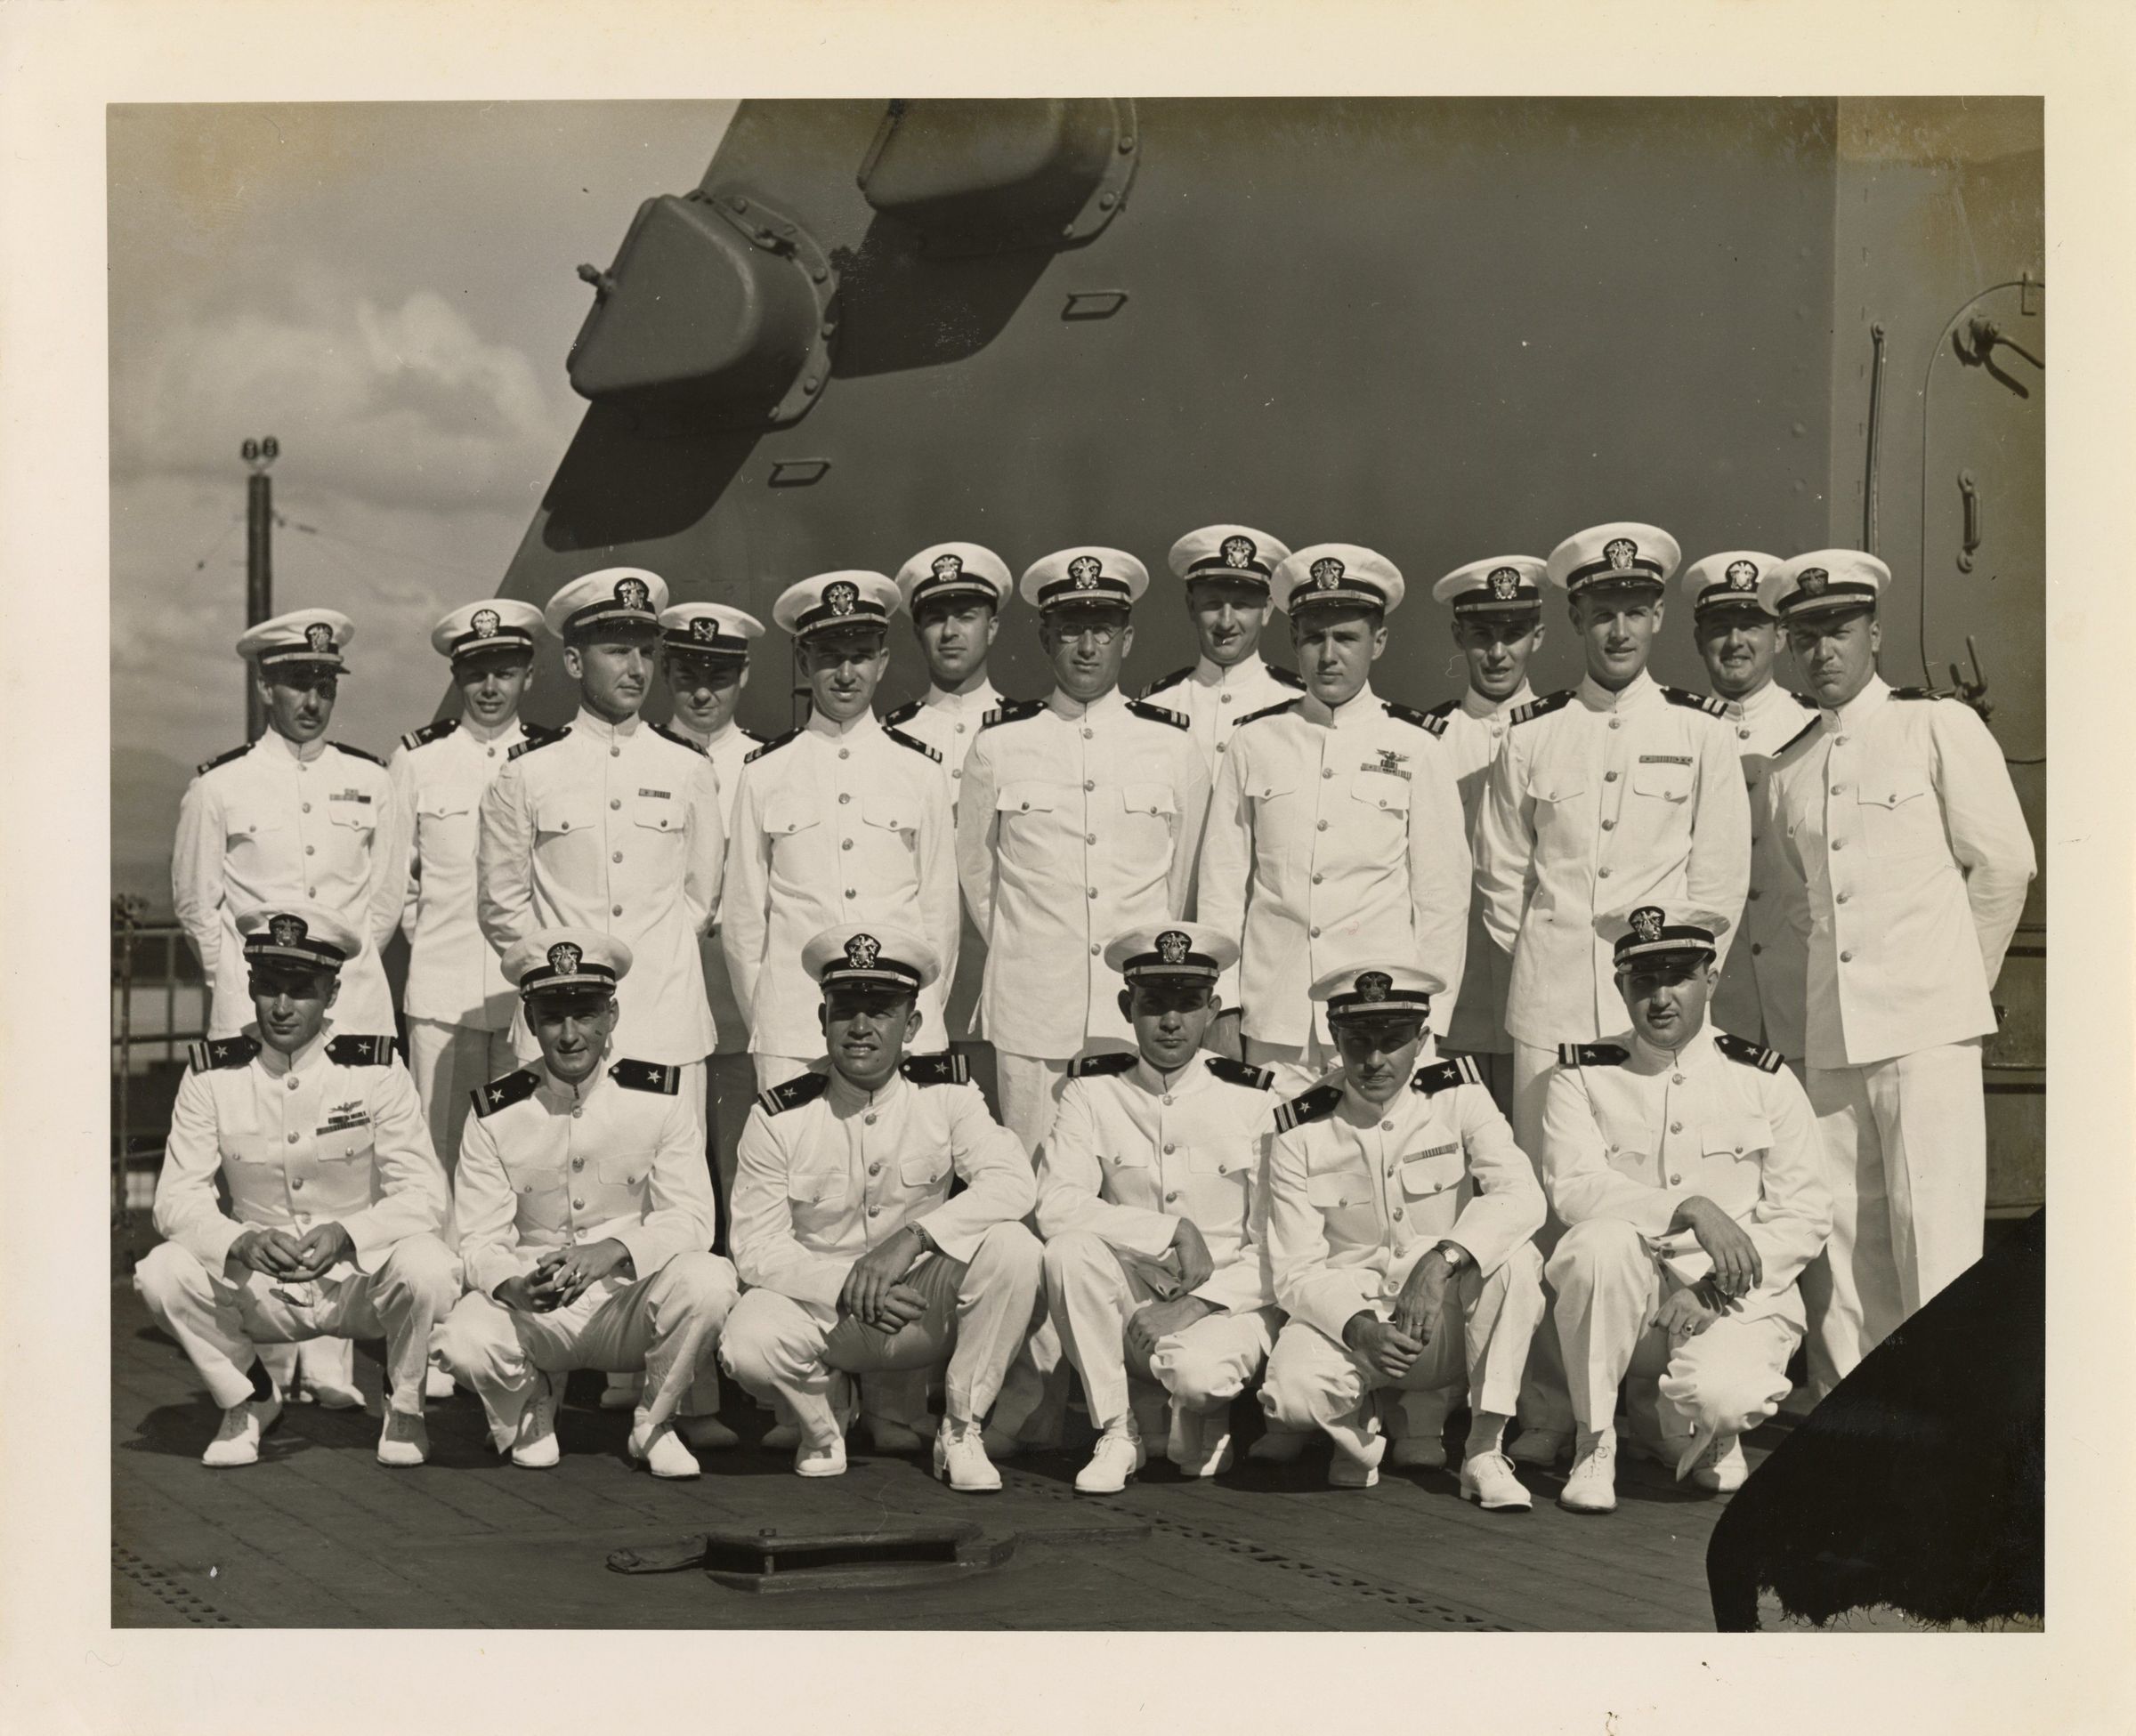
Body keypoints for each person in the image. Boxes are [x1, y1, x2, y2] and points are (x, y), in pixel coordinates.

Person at [1472, 521, 1751, 1469]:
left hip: (1656, 1011)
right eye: (1601, 613)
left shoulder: (1702, 737)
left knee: (1666, 1188)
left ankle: (1666, 1403)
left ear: (1659, 615)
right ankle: (1551, 1405)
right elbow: (1504, 883)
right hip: (1553, 1004)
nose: (1619, 630)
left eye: (1636, 611)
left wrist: (1653, 983)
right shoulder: (1533, 737)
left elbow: (1715, 889)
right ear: (1576, 618)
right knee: (1559, 1213)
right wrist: (1559, 968)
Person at [1756, 550, 2035, 1397]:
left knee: (1936, 1239)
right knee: (1846, 1243)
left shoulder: (1935, 727)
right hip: (1835, 1033)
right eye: (1803, 638)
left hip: (1927, 1028)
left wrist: (1951, 986)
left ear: (1874, 631)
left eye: (1837, 631)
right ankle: (1861, 1431)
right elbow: (1807, 903)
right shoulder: (1788, 767)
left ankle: (1953, 1436)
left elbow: (2003, 866)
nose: (1821, 652)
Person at [172, 608, 403, 1409]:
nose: (312, 698)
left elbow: (383, 901)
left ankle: (333, 1357)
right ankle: (267, 1358)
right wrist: (238, 989)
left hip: (351, 1001)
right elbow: (199, 904)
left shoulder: (372, 781)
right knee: (257, 1166)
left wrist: (338, 973)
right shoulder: (220, 785)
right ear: (264, 683)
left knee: (349, 1169)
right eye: (297, 682)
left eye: (323, 683)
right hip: (254, 1004)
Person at [133, 903, 457, 1468]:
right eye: (269, 988)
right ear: (251, 987)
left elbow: (425, 1194)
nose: (282, 1007)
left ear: (331, 994)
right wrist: (237, 1241)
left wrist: (347, 1234)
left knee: (428, 1265)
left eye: (301, 990)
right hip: (262, 1282)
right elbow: (175, 1200)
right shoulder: (213, 1074)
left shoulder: (375, 1070)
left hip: (356, 1282)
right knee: (160, 1272)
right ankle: (249, 1399)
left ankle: (405, 1408)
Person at [719, 925, 1044, 1490]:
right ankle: (821, 1425)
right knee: (746, 1342)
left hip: (918, 1305)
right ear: (822, 1020)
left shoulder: (947, 1095)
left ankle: (962, 1429)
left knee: (1016, 1248)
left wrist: (913, 1239)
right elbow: (755, 1246)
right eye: (845, 1011)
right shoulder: (780, 1115)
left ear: (912, 1025)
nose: (862, 1028)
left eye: (882, 1011)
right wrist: (846, 1282)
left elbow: (1014, 1183)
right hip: (829, 1311)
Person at [1540, 907, 1832, 1514]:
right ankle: (1596, 1440)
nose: (1661, 998)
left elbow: (1803, 1212)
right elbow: (1572, 1187)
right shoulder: (1582, 1074)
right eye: (1643, 981)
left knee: (1725, 1396)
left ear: (1711, 977)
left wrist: (1713, 1289)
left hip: (1734, 1299)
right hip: (1634, 1302)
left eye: (1678, 977)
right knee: (1597, 1244)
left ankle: (1711, 1428)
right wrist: (1688, 1206)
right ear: (1619, 985)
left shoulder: (1763, 1077)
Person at [434, 930, 738, 1478]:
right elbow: (479, 1238)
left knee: (709, 1279)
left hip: (625, 1301)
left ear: (612, 1015)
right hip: (538, 1305)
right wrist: (512, 1286)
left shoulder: (659, 1098)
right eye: (553, 1017)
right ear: (529, 1021)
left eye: (586, 1015)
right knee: (461, 1338)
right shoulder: (495, 1111)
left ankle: (654, 1420)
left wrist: (613, 1250)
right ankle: (532, 1400)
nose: (571, 1035)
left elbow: (693, 1219)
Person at [1258, 964, 1545, 1504]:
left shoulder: (1460, 1096)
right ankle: (1361, 1433)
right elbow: (1295, 1271)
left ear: (1423, 1040)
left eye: (1392, 1042)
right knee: (1291, 1398)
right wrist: (1358, 1327)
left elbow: (1523, 1195)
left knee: (1517, 1261)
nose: (1373, 1061)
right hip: (1357, 1318)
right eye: (1357, 1041)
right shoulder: (1299, 1127)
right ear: (1333, 1037)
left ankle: (1483, 1450)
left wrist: (1443, 1259)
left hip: (1444, 1318)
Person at [956, 546, 1211, 1152]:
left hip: (1137, 1016)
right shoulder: (999, 746)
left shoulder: (1172, 747)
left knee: (1136, 1183)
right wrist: (1034, 945)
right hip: (1033, 1010)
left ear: (1127, 639)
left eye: (1103, 629)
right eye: (1071, 630)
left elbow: (1184, 880)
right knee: (1037, 1182)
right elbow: (978, 877)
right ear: (1046, 638)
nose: (1088, 647)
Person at [1197, 543, 1469, 1093]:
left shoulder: (1415, 747)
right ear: (1294, 642)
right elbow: (1222, 886)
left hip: (1383, 1019)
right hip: (1275, 1016)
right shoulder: (1253, 741)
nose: (1328, 655)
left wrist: (1428, 1019)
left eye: (1345, 638)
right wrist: (1222, 1009)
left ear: (1379, 642)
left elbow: (1442, 898)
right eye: (1313, 637)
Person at [1034, 922, 1282, 1493]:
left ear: (1213, 1010)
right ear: (1127, 1007)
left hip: (1228, 1302)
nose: (1171, 1021)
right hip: (1135, 1295)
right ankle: (1118, 1431)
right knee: (1068, 1251)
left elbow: (1276, 1243)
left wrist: (1197, 1304)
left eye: (1188, 1004)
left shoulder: (1255, 1099)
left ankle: (1195, 1411)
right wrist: (1171, 1228)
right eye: (1154, 1004)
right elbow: (1058, 1206)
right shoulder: (1091, 1092)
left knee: (1197, 1379)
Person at [476, 568, 725, 1122]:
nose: (636, 669)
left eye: (645, 652)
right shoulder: (526, 774)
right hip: (561, 1029)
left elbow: (699, 899)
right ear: (573, 662)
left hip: (666, 1023)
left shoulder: (688, 769)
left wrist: (656, 959)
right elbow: (501, 905)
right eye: (617, 651)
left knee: (673, 1190)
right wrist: (563, 978)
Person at [723, 571, 959, 1091]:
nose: (846, 673)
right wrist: (770, 1015)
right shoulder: (763, 772)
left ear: (883, 662)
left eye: (860, 655)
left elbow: (939, 912)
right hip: (794, 1027)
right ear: (805, 662)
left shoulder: (920, 770)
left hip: (900, 1023)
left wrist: (917, 1015)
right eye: (830, 656)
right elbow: (744, 919)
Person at [389, 600, 560, 1173]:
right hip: (444, 995)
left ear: (529, 676)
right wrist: (435, 937)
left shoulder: (550, 758)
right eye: (476, 672)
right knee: (439, 1153)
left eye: (505, 672)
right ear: (457, 675)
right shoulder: (418, 761)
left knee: (525, 1151)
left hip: (527, 995)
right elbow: (398, 881)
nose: (491, 687)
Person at [1679, 551, 1818, 1062]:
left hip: (1803, 992)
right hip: (1716, 999)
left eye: (1752, 626)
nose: (1735, 642)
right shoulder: (1680, 732)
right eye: (1720, 626)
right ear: (1698, 640)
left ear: (1779, 636)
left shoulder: (1815, 728)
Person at [1423, 555, 1550, 1109]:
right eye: (1481, 635)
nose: (1498, 653)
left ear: (1538, 637)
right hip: (1457, 1007)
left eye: (1514, 634)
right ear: (1458, 636)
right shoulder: (1427, 740)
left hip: (1549, 1002)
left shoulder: (1564, 732)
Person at [1136, 523, 1302, 776]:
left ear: (1267, 610)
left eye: (1241, 605)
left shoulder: (1298, 705)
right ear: (1191, 606)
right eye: (1213, 604)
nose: (1226, 621)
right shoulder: (1156, 705)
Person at [880, 542, 1016, 807]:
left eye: (965, 616)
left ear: (991, 629)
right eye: (936, 619)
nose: (949, 632)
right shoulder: (889, 735)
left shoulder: (1027, 730)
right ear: (918, 634)